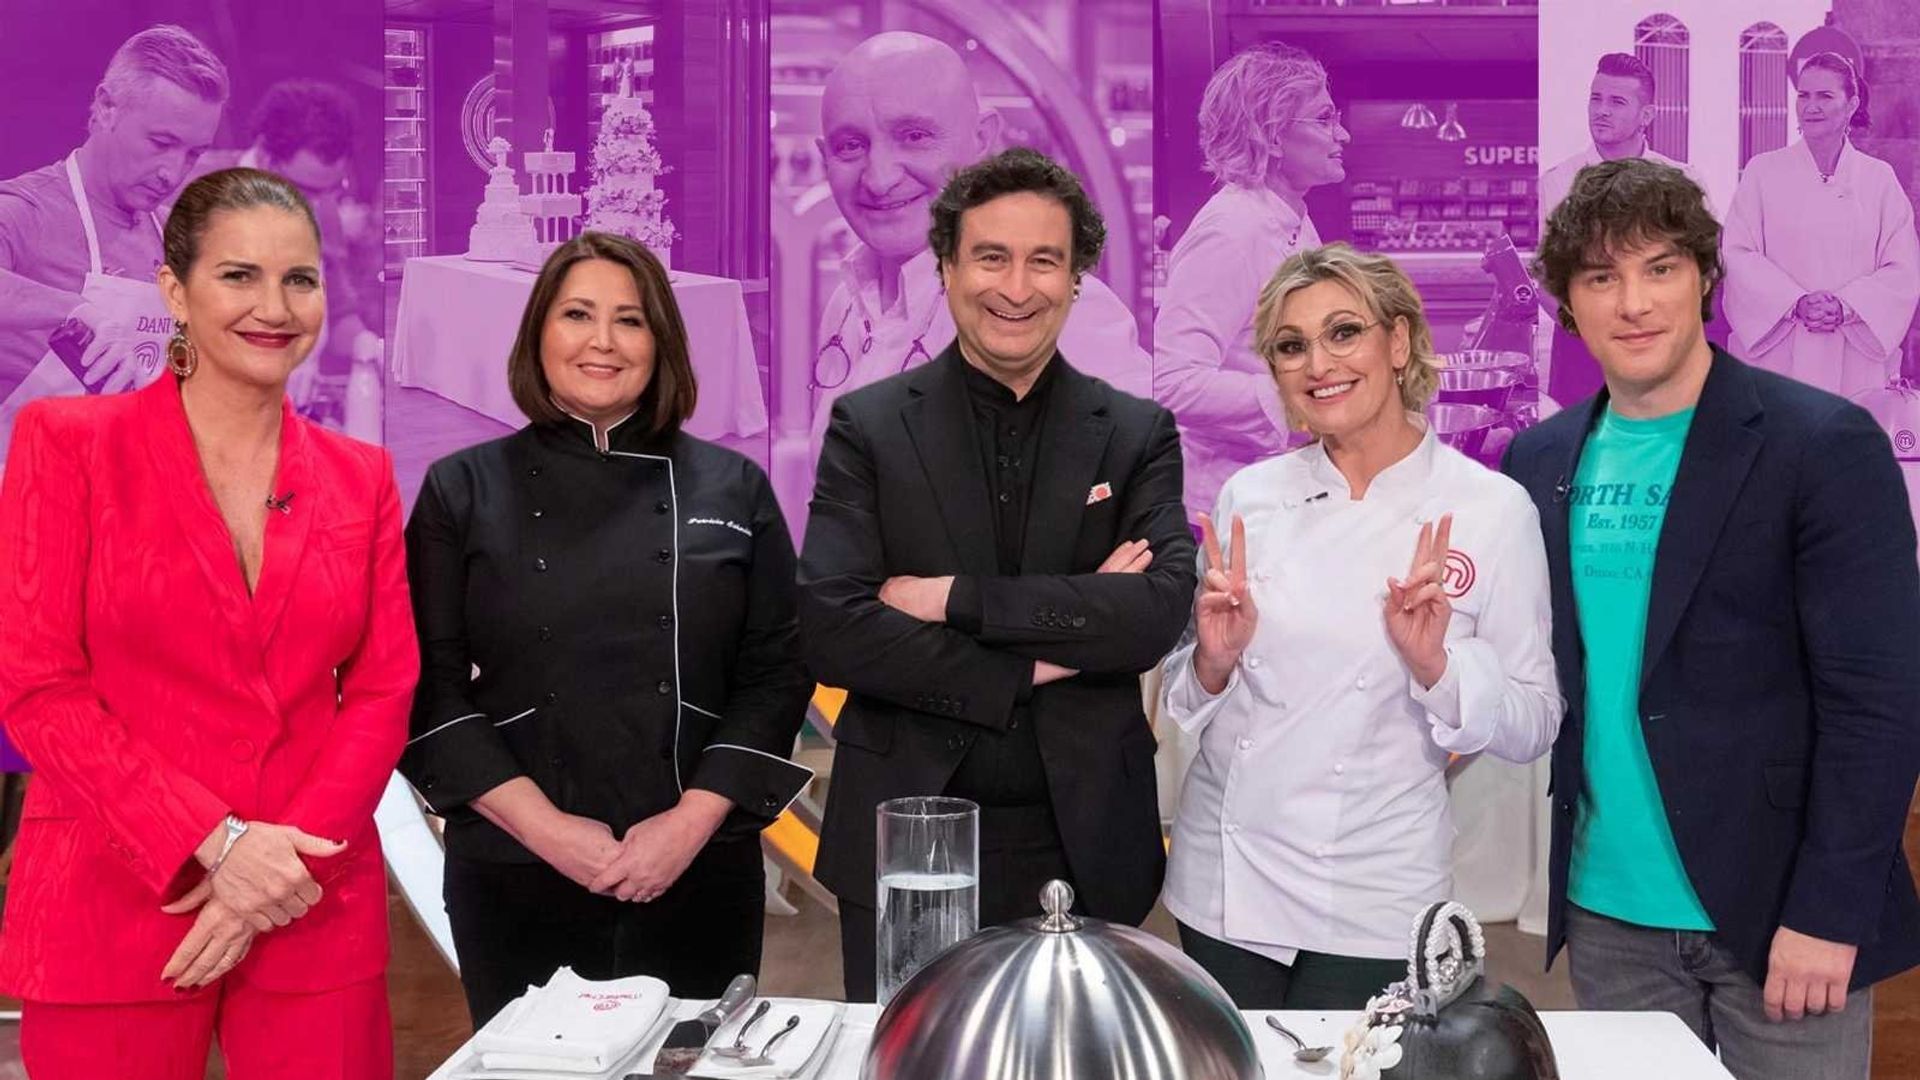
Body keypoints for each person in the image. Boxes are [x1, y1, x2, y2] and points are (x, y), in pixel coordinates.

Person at [1505, 156, 1920, 1080]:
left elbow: (1880, 705)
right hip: (1610, 914)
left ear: (1705, 279)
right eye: (1601, 277)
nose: (1633, 302)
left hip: (1780, 916)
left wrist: (1830, 911)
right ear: (1569, 305)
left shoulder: (1823, 445)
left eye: (1660, 268)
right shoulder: (1538, 459)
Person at [0, 167, 417, 1078]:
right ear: (173, 290)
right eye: (238, 275)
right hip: (114, 895)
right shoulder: (65, 443)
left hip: (310, 897)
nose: (275, 307)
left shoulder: (362, 476)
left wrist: (280, 872)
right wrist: (218, 844)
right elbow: (38, 689)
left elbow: (383, 689)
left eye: (299, 279)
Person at [799, 147, 1196, 1002]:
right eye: (990, 257)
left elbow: (1155, 615)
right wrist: (1035, 663)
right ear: (945, 268)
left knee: (1078, 1055)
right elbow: (832, 629)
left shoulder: (1136, 433)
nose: (1016, 287)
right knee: (909, 1055)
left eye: (1044, 261)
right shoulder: (869, 426)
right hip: (906, 830)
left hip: (1088, 837)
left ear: (1076, 281)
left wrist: (948, 599)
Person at [399, 231, 813, 1027]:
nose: (603, 341)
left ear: (662, 342)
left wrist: (685, 827)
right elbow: (426, 686)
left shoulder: (734, 486)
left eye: (630, 320)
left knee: (689, 1069)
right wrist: (552, 833)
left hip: (698, 865)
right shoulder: (463, 489)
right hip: (515, 866)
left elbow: (776, 674)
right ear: (538, 333)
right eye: (577, 314)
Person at [1158, 243, 1561, 1009]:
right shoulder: (1250, 497)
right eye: (1291, 346)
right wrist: (1212, 661)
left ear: (1399, 342)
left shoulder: (1491, 510)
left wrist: (1439, 668)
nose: (1319, 363)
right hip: (1223, 883)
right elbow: (1188, 694)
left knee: (1354, 1062)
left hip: (1376, 892)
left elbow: (1533, 722)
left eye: (1344, 332)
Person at [799, 32, 1151, 504]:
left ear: (983, 140)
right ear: (824, 158)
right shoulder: (848, 302)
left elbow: (1140, 484)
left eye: (914, 136)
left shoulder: (1049, 308)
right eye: (850, 146)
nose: (879, 178)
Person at [0, 24, 228, 464]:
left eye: (192, 154)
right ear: (107, 107)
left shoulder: (173, 234)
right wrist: (73, 309)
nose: (172, 172)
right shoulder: (27, 210)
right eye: (161, 143)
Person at [1155, 41, 1347, 518]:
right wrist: (1296, 400)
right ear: (1274, 136)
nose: (1341, 134)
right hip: (1231, 504)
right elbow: (1171, 381)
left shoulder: (1292, 217)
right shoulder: (1230, 231)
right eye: (1324, 119)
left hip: (1285, 489)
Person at [1723, 52, 1920, 399]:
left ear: (1851, 104)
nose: (1811, 106)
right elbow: (1738, 253)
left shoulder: (1878, 179)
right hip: (1777, 355)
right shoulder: (1762, 172)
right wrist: (1794, 302)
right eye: (1804, 95)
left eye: (1825, 96)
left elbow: (1902, 267)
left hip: (1855, 358)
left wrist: (1846, 306)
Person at [196, 78, 382, 411]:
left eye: (332, 188)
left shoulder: (323, 207)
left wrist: (369, 347)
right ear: (266, 155)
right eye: (305, 190)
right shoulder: (197, 190)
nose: (316, 204)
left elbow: (338, 314)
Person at [1538, 52, 1712, 407]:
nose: (1601, 111)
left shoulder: (1682, 180)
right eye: (1596, 98)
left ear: (1646, 115)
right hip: (1581, 347)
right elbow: (1544, 272)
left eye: (1617, 102)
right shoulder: (1556, 183)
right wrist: (1578, 325)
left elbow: (1702, 269)